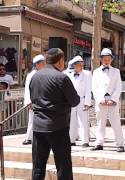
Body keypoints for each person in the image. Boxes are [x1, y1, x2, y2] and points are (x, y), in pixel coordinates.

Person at [29, 48, 80, 180]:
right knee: (63, 167)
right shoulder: (62, 77)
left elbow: (33, 98)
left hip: (38, 126)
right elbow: (74, 101)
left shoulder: (35, 77)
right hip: (57, 127)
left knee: (38, 166)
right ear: (61, 61)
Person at [91, 48, 125, 152]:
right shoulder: (96, 72)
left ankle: (120, 144)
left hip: (112, 103)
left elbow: (118, 87)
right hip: (101, 103)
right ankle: (99, 143)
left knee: (116, 123)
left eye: (108, 58)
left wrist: (113, 99)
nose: (106, 60)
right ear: (101, 59)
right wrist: (100, 99)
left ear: (111, 59)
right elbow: (94, 87)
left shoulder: (116, 71)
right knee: (100, 123)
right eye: (104, 58)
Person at [66, 56, 92, 148]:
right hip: (72, 100)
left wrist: (87, 103)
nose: (81, 66)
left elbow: (89, 89)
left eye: (82, 64)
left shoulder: (87, 74)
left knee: (83, 121)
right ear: (74, 65)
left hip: (82, 99)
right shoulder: (69, 75)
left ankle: (85, 141)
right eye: (79, 65)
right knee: (72, 120)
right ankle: (71, 140)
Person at [22, 54, 46, 145]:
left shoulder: (45, 73)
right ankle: (29, 138)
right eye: (43, 63)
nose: (45, 65)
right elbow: (27, 90)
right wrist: (28, 102)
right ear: (37, 65)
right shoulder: (31, 75)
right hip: (34, 101)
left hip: (44, 100)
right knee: (32, 120)